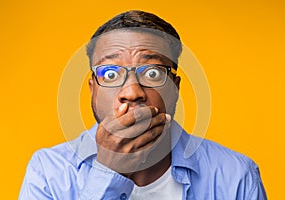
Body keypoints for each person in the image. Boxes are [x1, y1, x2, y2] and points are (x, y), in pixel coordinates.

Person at [19, 10, 267, 199]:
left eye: (152, 73)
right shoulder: (48, 172)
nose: (132, 92)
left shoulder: (236, 175)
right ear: (92, 89)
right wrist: (108, 172)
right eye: (111, 74)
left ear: (175, 88)